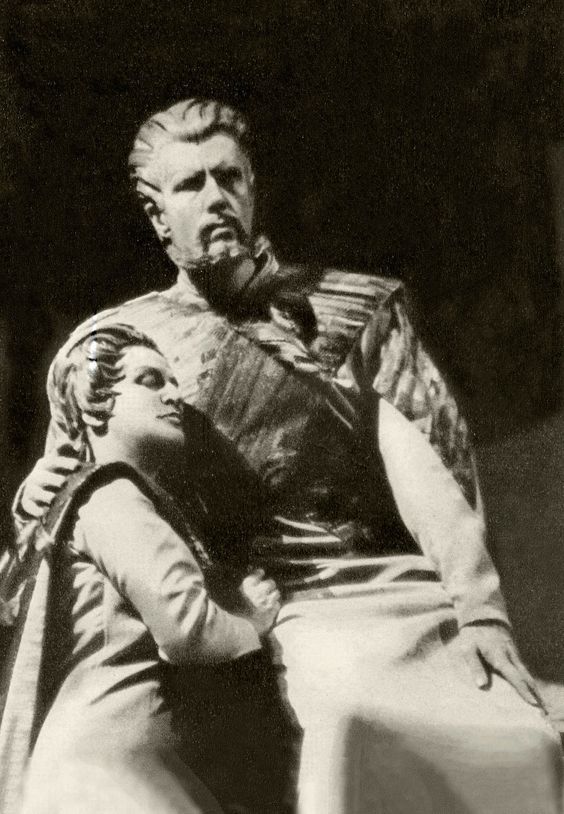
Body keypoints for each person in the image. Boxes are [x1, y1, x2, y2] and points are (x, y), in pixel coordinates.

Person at [16, 98, 563, 813]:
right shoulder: (118, 343)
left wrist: (480, 610)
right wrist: (38, 496)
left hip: (395, 590)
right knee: (356, 730)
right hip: (254, 619)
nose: (216, 197)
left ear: (252, 186)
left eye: (229, 177)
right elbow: (70, 502)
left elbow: (431, 467)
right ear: (157, 215)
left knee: (523, 742)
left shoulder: (355, 309)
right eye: (190, 185)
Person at [0, 323, 281, 814]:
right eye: (150, 381)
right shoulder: (111, 494)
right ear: (93, 403)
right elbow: (190, 631)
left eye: (173, 382)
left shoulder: (64, 510)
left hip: (77, 769)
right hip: (120, 767)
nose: (174, 395)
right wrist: (252, 618)